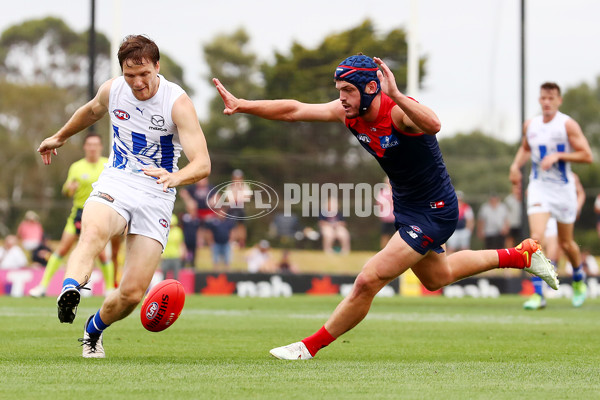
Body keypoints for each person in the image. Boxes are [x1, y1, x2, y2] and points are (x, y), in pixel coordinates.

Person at [213, 53, 558, 360]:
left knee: (368, 280)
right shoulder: (349, 113)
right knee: (439, 277)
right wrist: (243, 104)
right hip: (407, 207)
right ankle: (521, 256)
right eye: (339, 90)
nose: (341, 98)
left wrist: (396, 95)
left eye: (348, 90)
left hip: (435, 209)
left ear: (370, 89)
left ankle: (309, 346)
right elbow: (294, 110)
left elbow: (435, 124)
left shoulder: (398, 114)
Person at [37, 35, 210, 358]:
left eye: (144, 73)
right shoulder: (114, 89)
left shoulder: (177, 103)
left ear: (157, 67)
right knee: (92, 232)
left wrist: (175, 177)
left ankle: (93, 330)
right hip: (116, 179)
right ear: (122, 72)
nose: (138, 82)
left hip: (157, 192)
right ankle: (69, 289)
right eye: (130, 75)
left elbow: (202, 164)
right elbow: (92, 111)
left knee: (131, 294)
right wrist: (59, 137)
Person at [510, 82, 593, 309]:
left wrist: (558, 156)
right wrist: (515, 167)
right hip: (539, 187)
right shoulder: (532, 125)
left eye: (551, 98)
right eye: (543, 98)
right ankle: (539, 294)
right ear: (539, 100)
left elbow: (587, 155)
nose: (547, 102)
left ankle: (578, 278)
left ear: (559, 101)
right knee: (535, 239)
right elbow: (526, 148)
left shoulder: (567, 125)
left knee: (566, 243)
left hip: (563, 190)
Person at [29, 133, 117, 298]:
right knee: (62, 248)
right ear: (85, 147)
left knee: (102, 252)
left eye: (95, 144)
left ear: (100, 147)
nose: (92, 148)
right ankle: (42, 286)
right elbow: (66, 191)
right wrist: (70, 187)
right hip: (78, 213)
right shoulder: (77, 166)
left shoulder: (108, 164)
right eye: (89, 144)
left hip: (99, 213)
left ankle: (110, 288)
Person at [523, 173, 585, 309]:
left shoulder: (571, 176)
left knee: (561, 248)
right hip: (544, 213)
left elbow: (580, 193)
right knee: (534, 244)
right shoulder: (537, 174)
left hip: (559, 214)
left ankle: (578, 278)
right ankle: (538, 293)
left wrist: (577, 207)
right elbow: (529, 192)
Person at [160, 214, 185, 280]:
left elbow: (181, 243)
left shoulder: (178, 231)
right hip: (166, 257)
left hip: (176, 256)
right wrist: (161, 255)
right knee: (164, 275)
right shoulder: (163, 231)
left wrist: (182, 252)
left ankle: (175, 289)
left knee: (176, 276)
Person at [375, 177, 396, 249]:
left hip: (396, 218)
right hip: (386, 219)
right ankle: (383, 250)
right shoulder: (382, 193)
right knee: (385, 236)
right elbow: (380, 203)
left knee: (395, 236)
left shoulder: (397, 192)